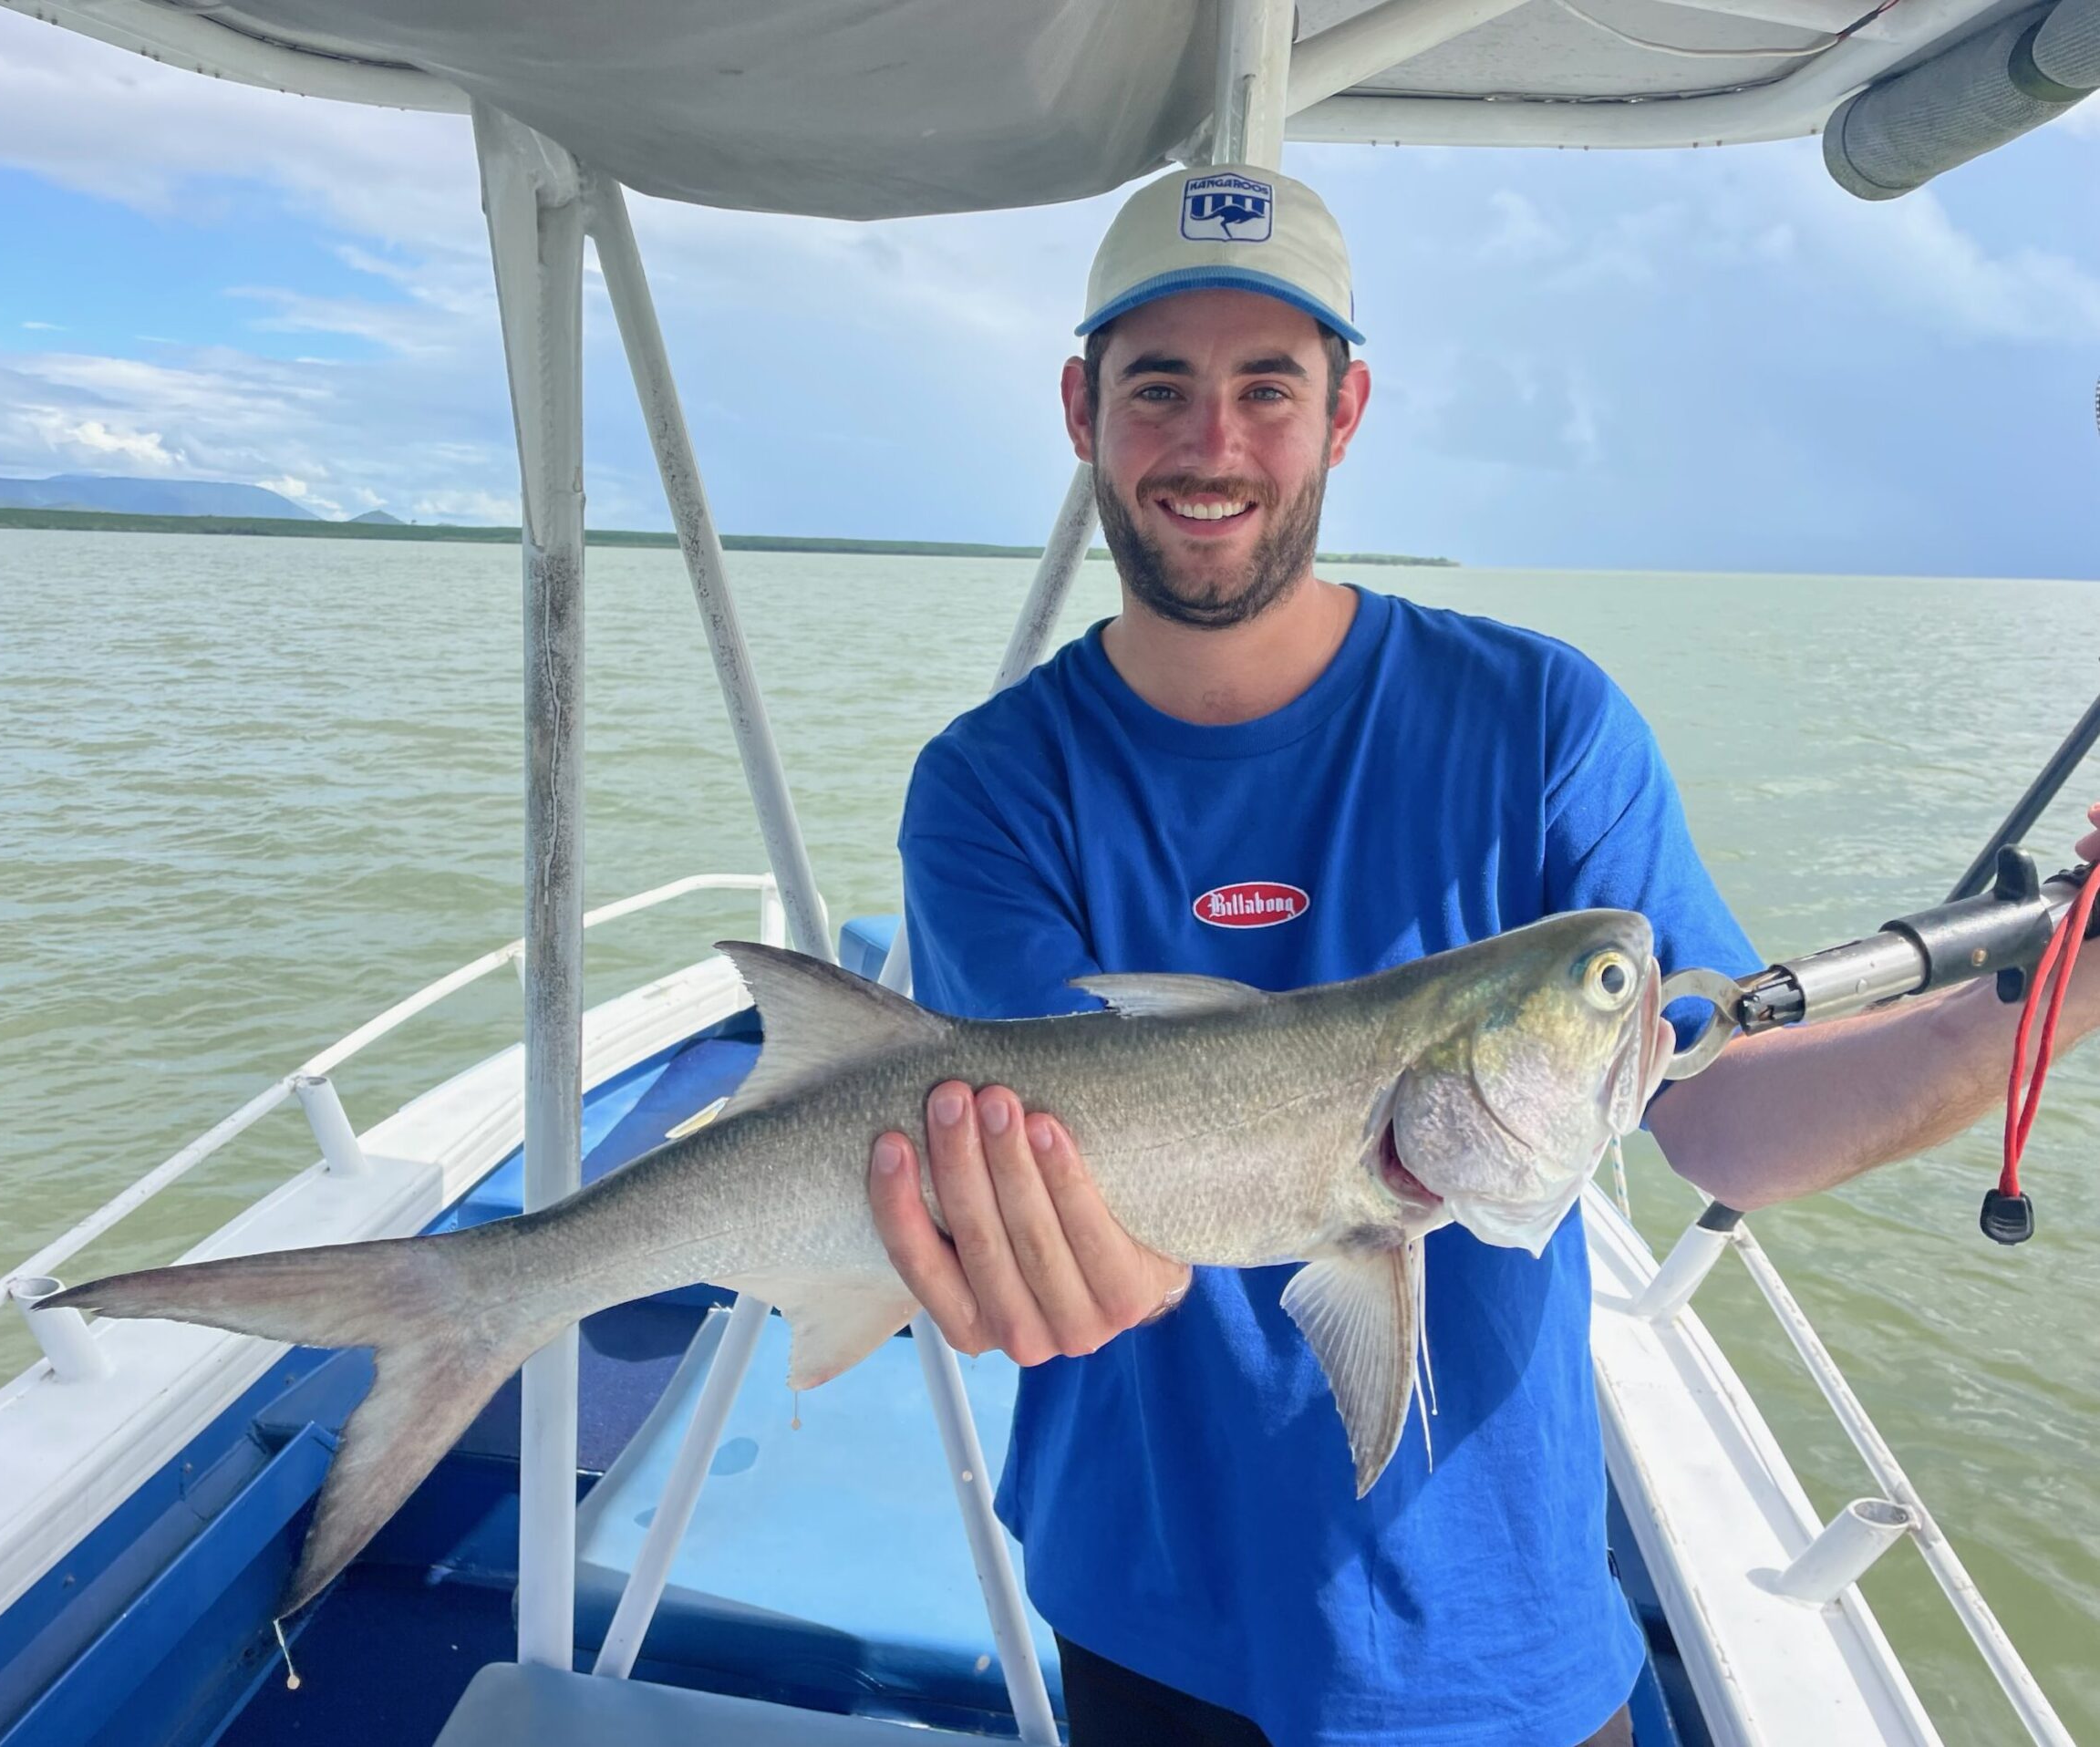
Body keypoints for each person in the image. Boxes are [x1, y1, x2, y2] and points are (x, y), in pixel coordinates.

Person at [860, 162, 2100, 1747]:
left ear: (1348, 409)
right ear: (1080, 409)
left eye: (1269, 388)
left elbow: (1721, 1110)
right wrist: (991, 1255)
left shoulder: (1540, 725)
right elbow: (1051, 1173)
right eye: (1158, 385)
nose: (1213, 444)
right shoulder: (989, 784)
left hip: (1501, 1636)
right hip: (1146, 1607)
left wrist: (2067, 982)